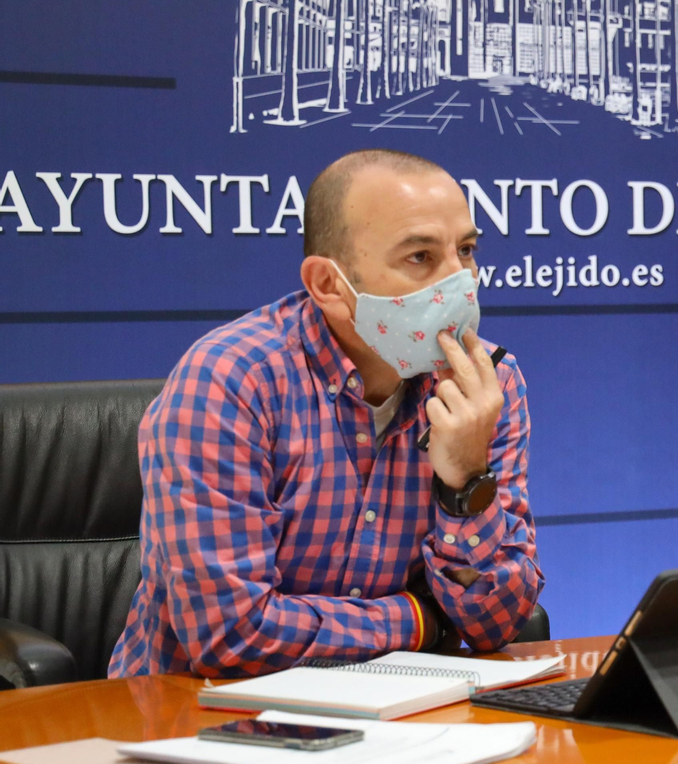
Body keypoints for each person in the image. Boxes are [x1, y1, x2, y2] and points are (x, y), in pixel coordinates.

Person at [109, 149, 542, 677]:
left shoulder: (487, 384)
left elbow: (498, 623)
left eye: (467, 251)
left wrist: (466, 481)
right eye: (421, 257)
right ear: (328, 286)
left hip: (409, 720)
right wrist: (423, 622)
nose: (461, 282)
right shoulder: (231, 381)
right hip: (201, 725)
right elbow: (232, 636)